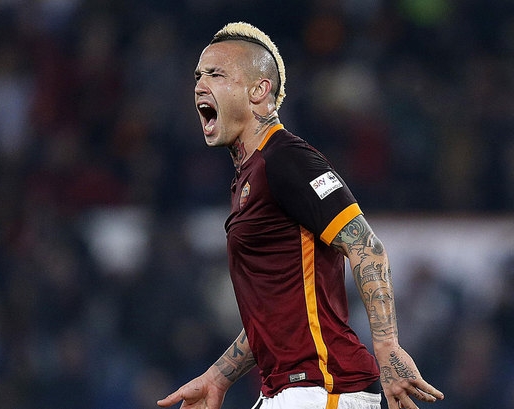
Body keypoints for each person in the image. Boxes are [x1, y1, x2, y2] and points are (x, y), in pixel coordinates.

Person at [156, 22, 444, 409]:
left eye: (216, 74)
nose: (200, 85)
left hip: (323, 386)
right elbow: (276, 313)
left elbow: (366, 246)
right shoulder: (250, 176)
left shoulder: (286, 158)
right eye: (198, 76)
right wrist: (218, 377)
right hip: (294, 390)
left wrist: (388, 347)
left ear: (259, 91)